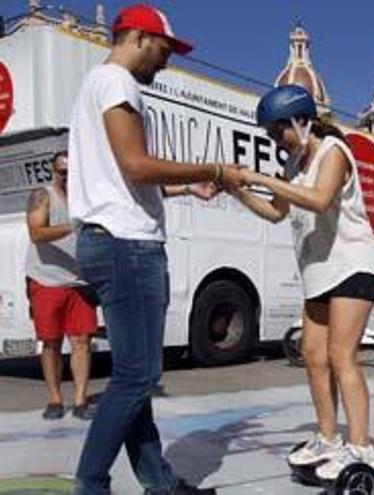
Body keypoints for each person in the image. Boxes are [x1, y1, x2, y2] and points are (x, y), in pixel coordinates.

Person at [67, 4, 245, 494]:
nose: (167, 63)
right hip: (127, 245)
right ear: (140, 38)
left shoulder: (94, 85)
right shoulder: (118, 81)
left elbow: (120, 177)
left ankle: (159, 483)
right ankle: (90, 484)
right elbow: (137, 166)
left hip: (109, 238)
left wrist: (187, 190)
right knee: (138, 375)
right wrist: (212, 171)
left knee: (134, 378)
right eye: (165, 51)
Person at [231, 84, 374, 481]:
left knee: (340, 355)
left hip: (353, 265)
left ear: (301, 121)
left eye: (276, 131)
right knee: (312, 354)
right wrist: (239, 190)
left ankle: (361, 448)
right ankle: (328, 438)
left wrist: (259, 176)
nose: (273, 140)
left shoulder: (334, 152)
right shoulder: (295, 165)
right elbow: (276, 213)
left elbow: (318, 199)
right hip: (319, 272)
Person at [25, 150, 98, 421]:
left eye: (71, 172)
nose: (67, 178)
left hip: (79, 282)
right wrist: (71, 226)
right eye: (62, 173)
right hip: (46, 280)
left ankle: (80, 401)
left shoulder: (85, 199)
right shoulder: (43, 196)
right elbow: (36, 233)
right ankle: (55, 399)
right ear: (53, 171)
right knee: (51, 342)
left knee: (82, 341)